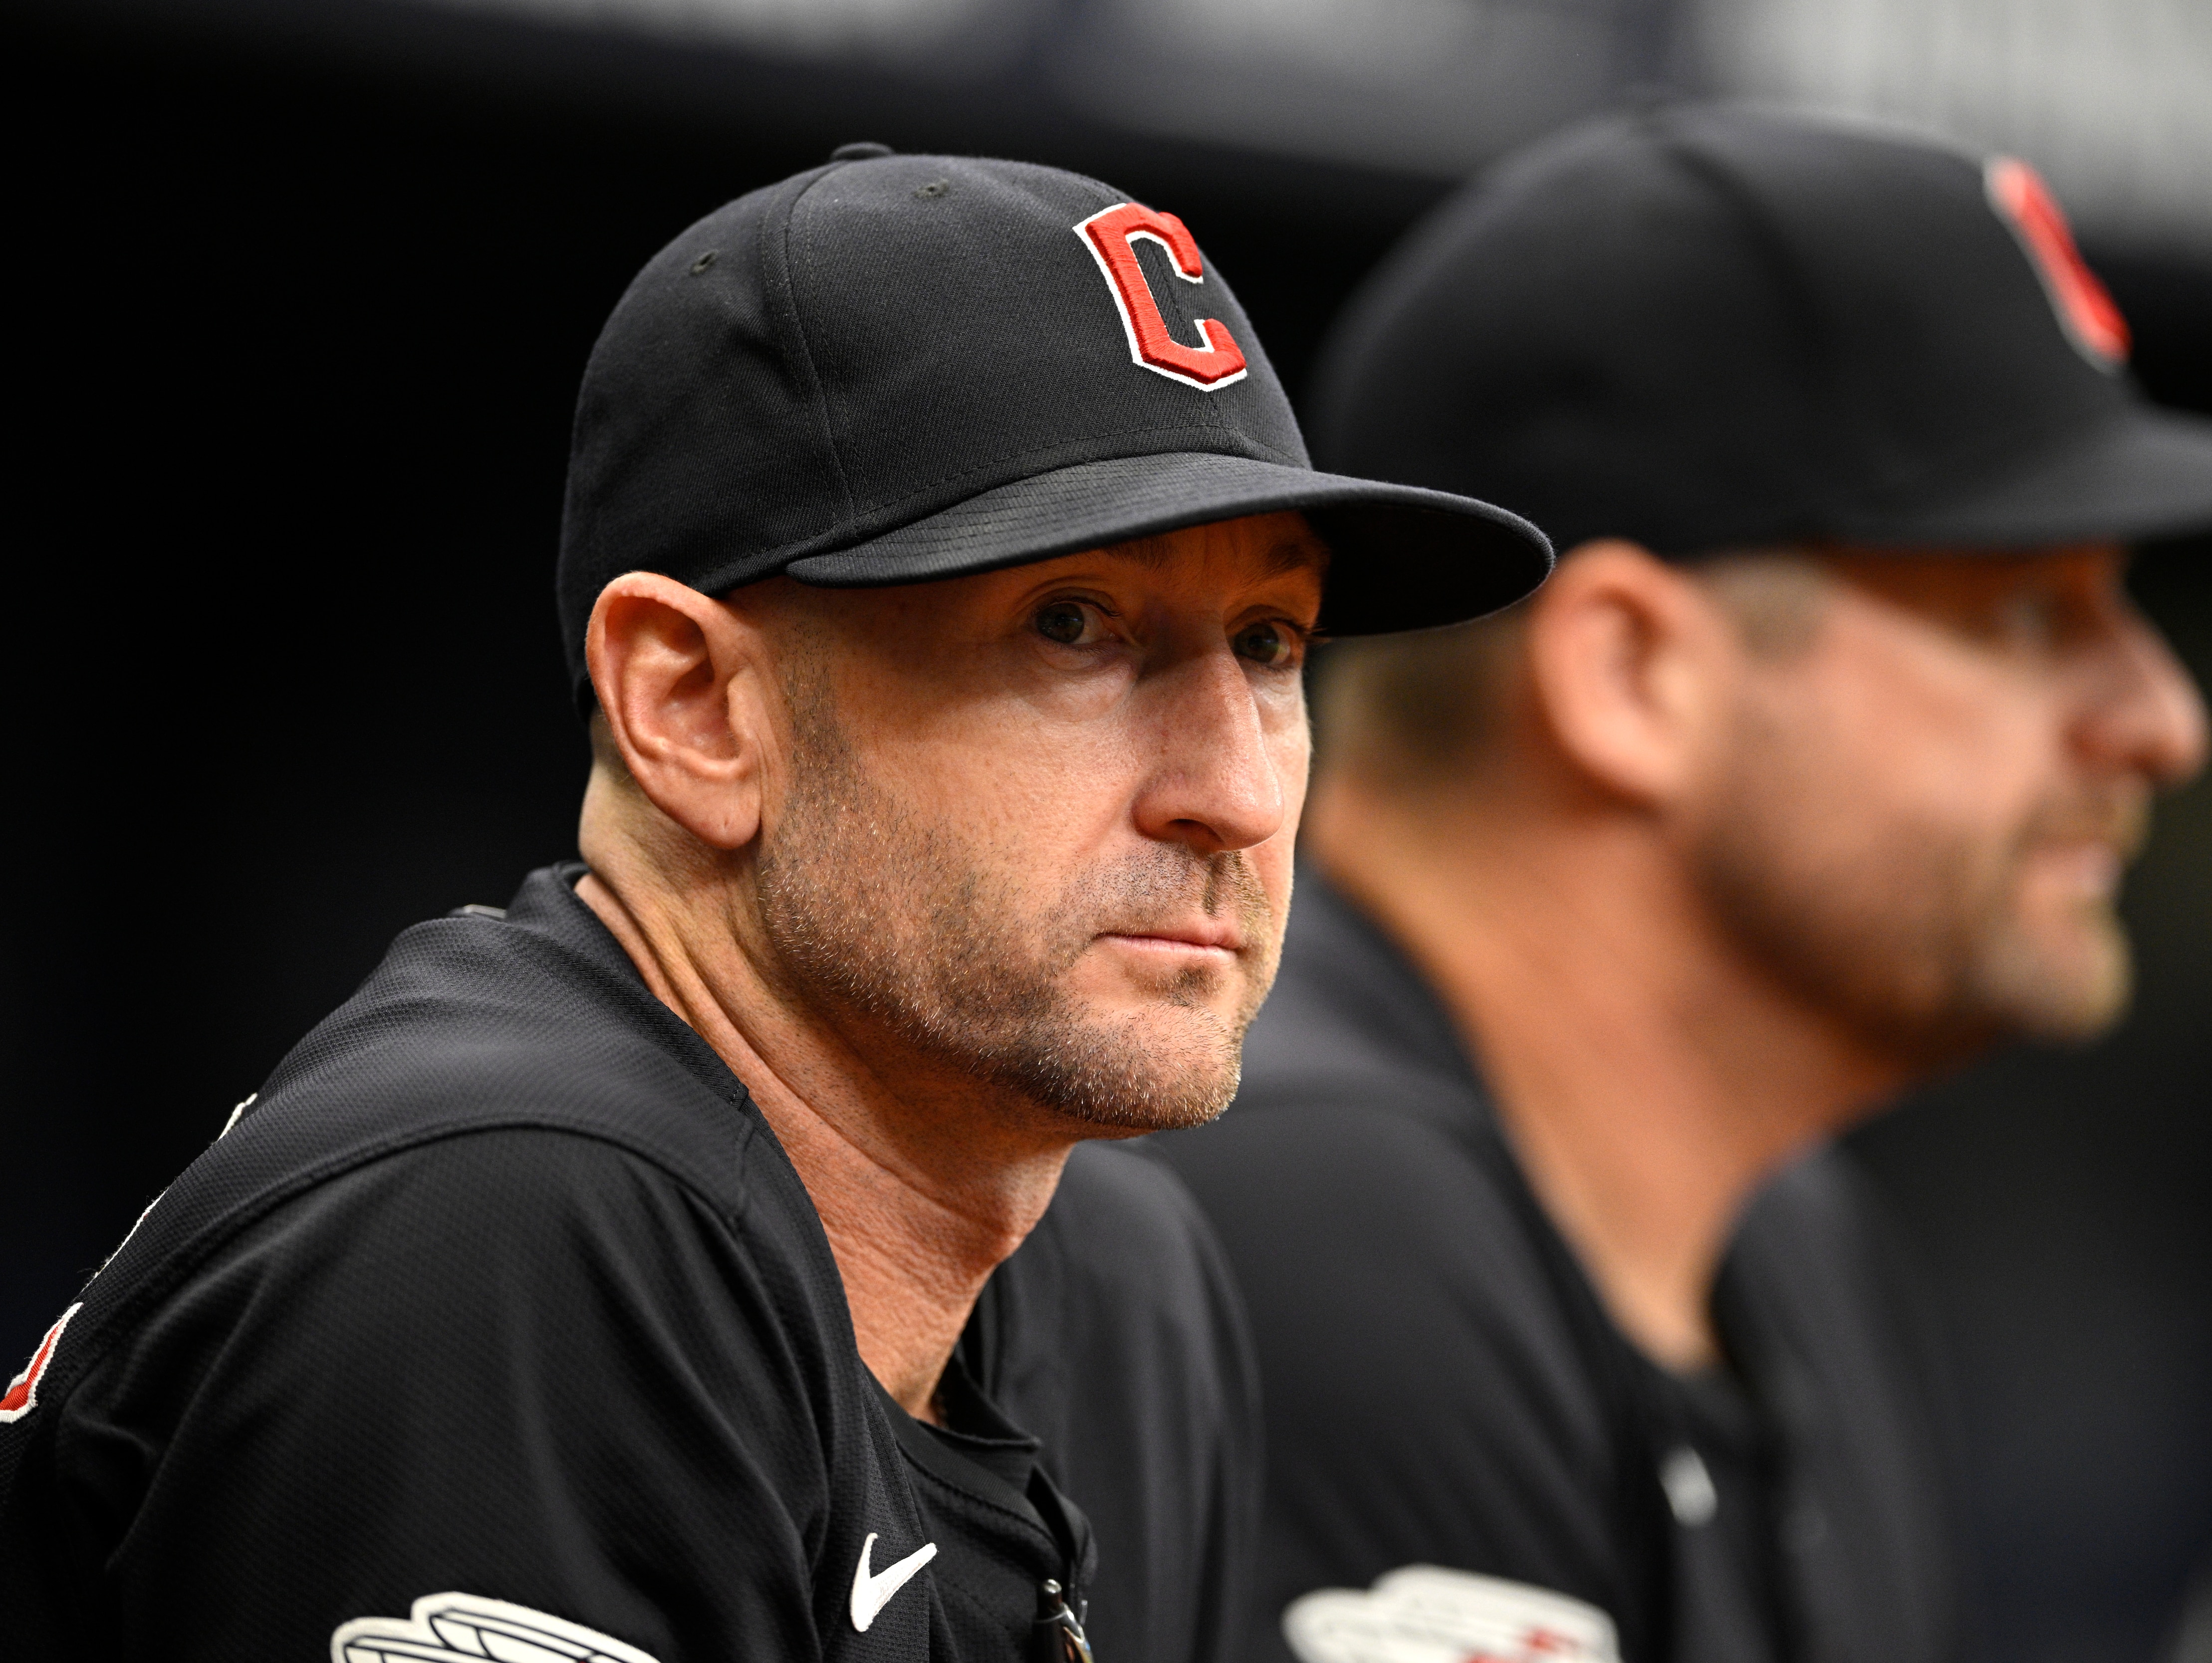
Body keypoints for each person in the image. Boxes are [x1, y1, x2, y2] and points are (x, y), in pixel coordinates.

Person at [0, 144, 1548, 1663]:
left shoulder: (1127, 1284)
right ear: (693, 708)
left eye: (1272, 643)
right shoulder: (508, 1234)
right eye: (1075, 625)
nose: (1239, 791)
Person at [1153, 106, 2212, 1663]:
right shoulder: (1299, 1216)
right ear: (1629, 673)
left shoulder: (1793, 1239)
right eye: (2026, 610)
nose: (2161, 722)